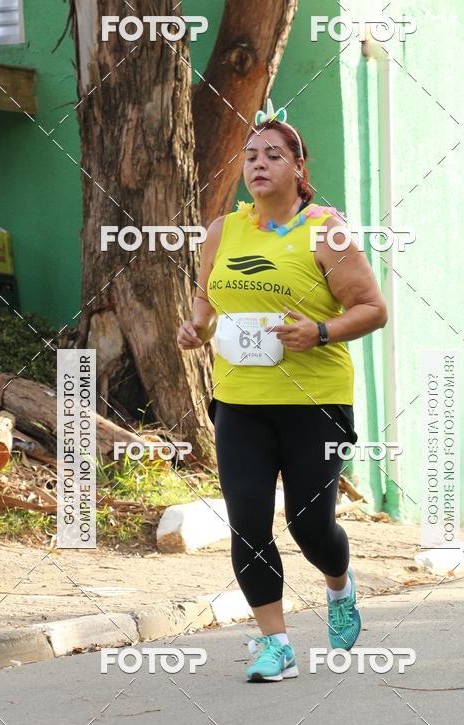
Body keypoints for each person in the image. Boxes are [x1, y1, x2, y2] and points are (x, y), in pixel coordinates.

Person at [177, 98, 387, 682]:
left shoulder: (326, 231)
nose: (258, 164)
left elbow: (372, 309)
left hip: (314, 402)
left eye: (273, 155)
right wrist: (195, 327)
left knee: (308, 524)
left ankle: (338, 586)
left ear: (298, 168)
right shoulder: (223, 231)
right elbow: (207, 299)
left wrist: (319, 331)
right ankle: (276, 644)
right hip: (240, 401)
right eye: (250, 156)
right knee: (248, 522)